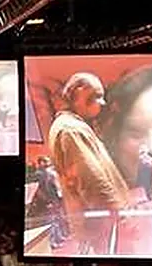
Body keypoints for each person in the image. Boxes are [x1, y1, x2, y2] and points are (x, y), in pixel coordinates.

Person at [48, 72, 130, 254]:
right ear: (77, 93)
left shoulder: (70, 126)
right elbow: (89, 176)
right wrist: (115, 209)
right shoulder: (71, 130)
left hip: (98, 220)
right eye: (96, 96)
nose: (102, 103)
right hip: (101, 221)